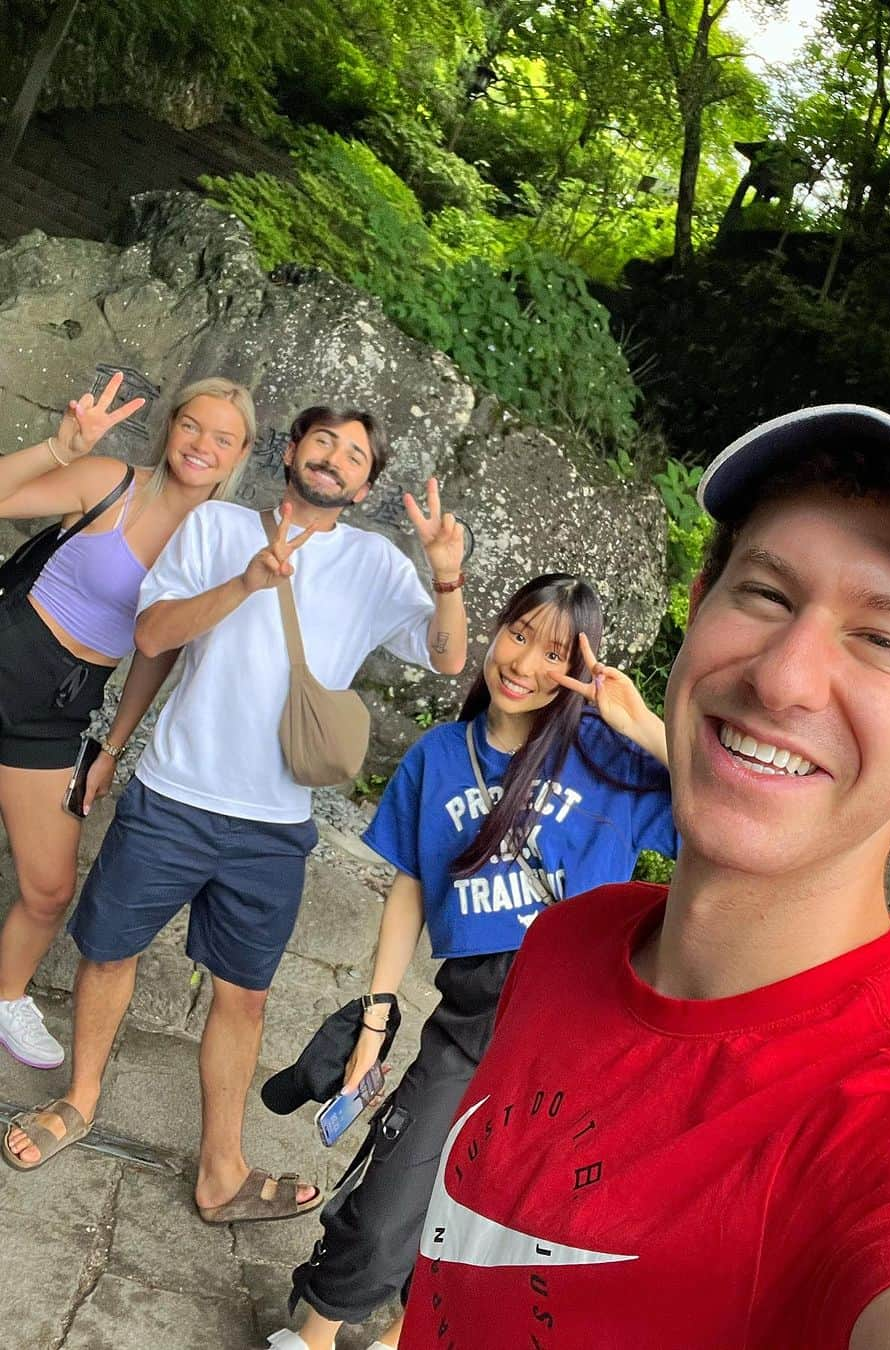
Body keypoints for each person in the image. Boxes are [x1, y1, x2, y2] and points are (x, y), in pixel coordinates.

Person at [395, 408, 890, 1349]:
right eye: (765, 593)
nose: (784, 678)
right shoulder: (568, 941)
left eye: (883, 640)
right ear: (703, 597)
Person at [2, 404, 469, 1233]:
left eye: (354, 454)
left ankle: (222, 1170)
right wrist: (247, 582)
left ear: (366, 483)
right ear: (288, 452)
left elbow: (447, 657)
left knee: (244, 995)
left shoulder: (376, 564)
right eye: (321, 441)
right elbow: (151, 632)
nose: (333, 459)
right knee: (109, 955)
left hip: (274, 823)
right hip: (174, 793)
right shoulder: (215, 525)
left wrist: (444, 577)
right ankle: (79, 1101)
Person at [269, 573, 676, 1350]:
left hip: (574, 1024)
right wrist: (376, 1016)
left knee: (498, 1206)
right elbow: (411, 888)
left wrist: (645, 726)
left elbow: (719, 818)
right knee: (398, 1181)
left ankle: (402, 1335)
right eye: (518, 633)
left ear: (580, 668)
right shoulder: (437, 757)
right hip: (470, 1014)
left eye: (554, 652)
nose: (523, 662)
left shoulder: (609, 760)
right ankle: (314, 1331)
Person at [0, 372, 255, 1070]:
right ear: (170, 427)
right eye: (192, 425)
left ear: (241, 456)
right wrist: (59, 448)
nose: (202, 444)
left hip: (59, 710)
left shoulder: (218, 549)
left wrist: (112, 745)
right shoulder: (112, 480)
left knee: (49, 888)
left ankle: (6, 995)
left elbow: (155, 653)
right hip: (9, 649)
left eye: (223, 438)